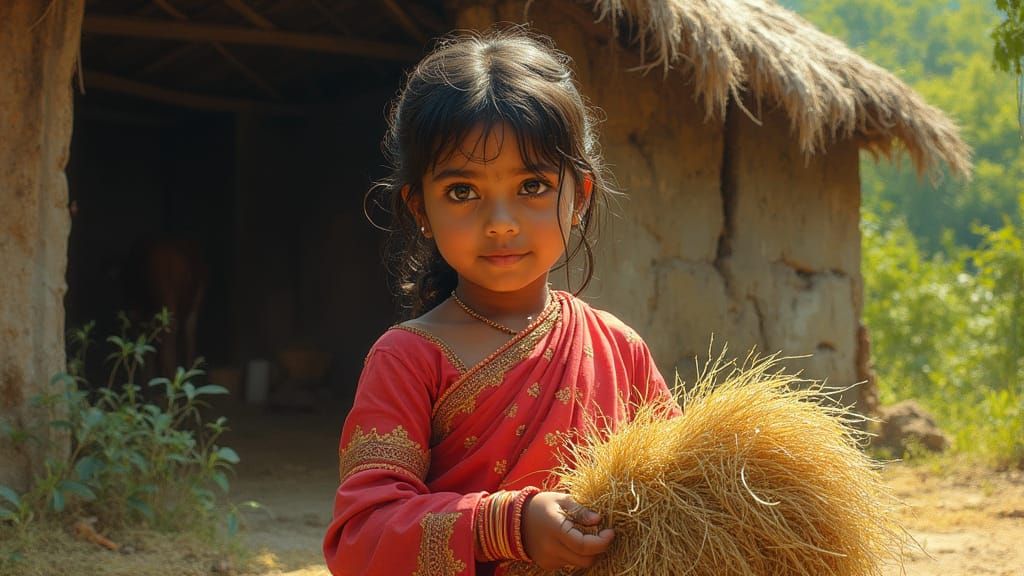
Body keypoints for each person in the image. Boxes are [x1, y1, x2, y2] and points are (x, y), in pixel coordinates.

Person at [323, 27, 679, 576]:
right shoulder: (409, 360)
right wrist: (508, 526)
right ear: (420, 208)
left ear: (578, 196)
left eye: (533, 185)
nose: (501, 223)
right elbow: (361, 540)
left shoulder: (618, 349)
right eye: (462, 192)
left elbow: (681, 496)